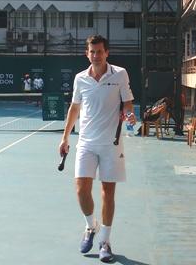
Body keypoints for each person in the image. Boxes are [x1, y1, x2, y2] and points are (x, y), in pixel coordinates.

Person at [59, 35, 136, 263]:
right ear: (87, 54)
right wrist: (64, 138)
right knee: (81, 190)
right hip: (86, 143)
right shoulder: (80, 78)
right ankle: (90, 226)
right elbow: (74, 108)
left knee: (107, 193)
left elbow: (128, 102)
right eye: (92, 52)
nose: (96, 55)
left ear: (107, 53)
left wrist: (130, 115)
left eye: (99, 51)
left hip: (111, 144)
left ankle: (105, 241)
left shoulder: (120, 74)